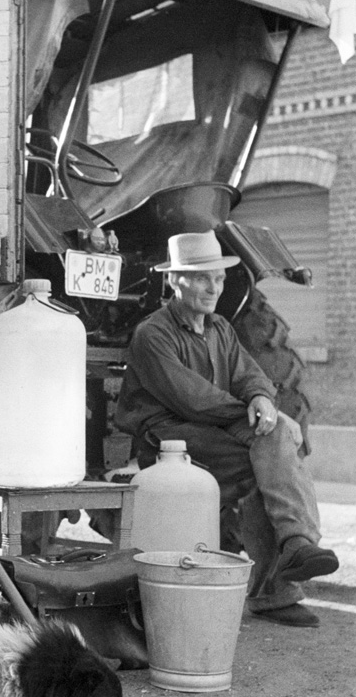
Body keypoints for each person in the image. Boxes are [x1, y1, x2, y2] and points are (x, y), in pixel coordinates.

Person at [115, 230, 339, 627]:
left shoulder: (218, 328)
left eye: (218, 278)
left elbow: (249, 375)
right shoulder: (153, 334)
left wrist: (263, 400)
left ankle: (295, 549)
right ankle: (282, 578)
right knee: (269, 456)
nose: (213, 287)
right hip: (168, 438)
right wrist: (264, 414)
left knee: (271, 444)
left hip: (211, 431)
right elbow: (192, 398)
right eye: (202, 277)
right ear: (173, 280)